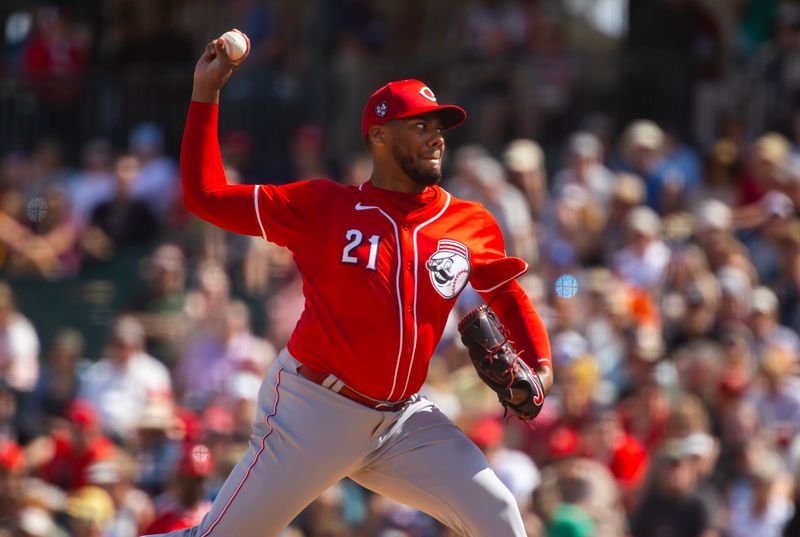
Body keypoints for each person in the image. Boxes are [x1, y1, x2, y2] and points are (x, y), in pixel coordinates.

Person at [147, 30, 553, 537]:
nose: (436, 136)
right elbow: (205, 195)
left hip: (402, 421)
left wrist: (541, 366)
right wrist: (206, 93)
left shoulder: (469, 221)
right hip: (314, 409)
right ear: (379, 137)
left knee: (497, 516)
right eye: (420, 125)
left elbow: (508, 296)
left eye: (440, 126)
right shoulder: (323, 206)